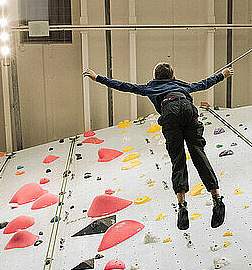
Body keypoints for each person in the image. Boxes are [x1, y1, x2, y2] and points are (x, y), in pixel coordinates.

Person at [82, 63, 233, 231]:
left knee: (178, 160)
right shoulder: (181, 85)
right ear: (173, 77)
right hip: (189, 111)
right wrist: (223, 75)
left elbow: (125, 86)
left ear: (155, 78)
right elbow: (203, 84)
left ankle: (182, 205)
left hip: (170, 114)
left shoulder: (151, 87)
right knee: (199, 155)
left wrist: (98, 78)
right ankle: (217, 199)